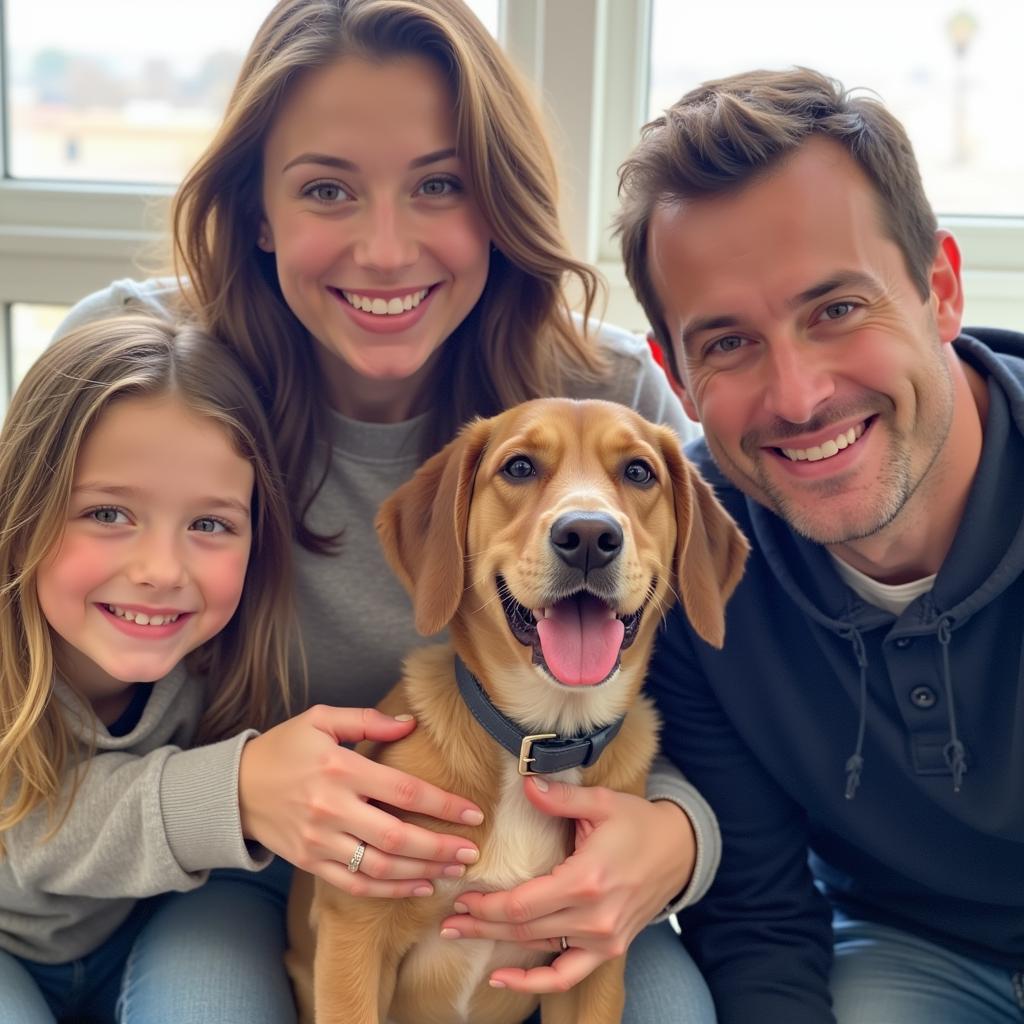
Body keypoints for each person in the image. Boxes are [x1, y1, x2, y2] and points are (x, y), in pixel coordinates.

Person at [56, 1, 718, 1020]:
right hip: (236, 865)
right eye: (326, 188)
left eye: (440, 185)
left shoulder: (607, 402)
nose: (383, 249)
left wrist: (676, 839)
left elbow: (736, 688)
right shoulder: (148, 376)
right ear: (258, 208)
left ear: (497, 202)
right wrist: (228, 794)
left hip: (555, 850)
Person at [615, 65, 1024, 1024]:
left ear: (941, 289)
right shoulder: (683, 561)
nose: (798, 398)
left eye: (836, 310)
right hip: (903, 951)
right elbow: (759, 918)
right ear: (674, 372)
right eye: (728, 344)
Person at [0, 314, 296, 1022]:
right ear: (21, 510)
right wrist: (232, 792)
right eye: (107, 513)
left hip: (147, 932)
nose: (162, 571)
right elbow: (29, 840)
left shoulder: (219, 657)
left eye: (210, 525)